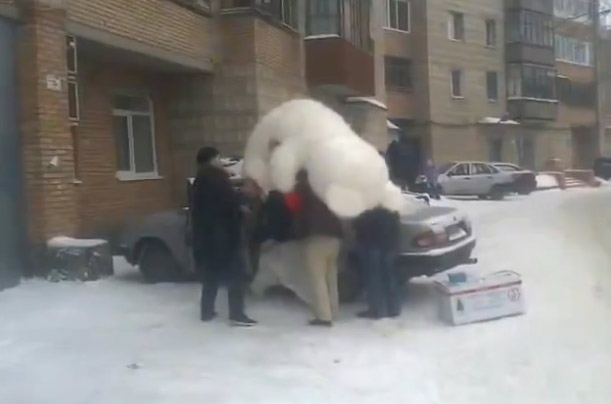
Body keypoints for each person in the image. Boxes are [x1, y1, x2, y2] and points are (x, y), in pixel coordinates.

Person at [191, 146, 256, 326]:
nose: (221, 161)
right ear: (212, 159)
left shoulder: (200, 180)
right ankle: (236, 315)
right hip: (224, 236)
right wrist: (243, 202)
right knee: (237, 275)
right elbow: (229, 206)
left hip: (207, 237)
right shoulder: (217, 178)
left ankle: (207, 311)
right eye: (218, 158)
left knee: (211, 274)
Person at [294, 170, 343, 327]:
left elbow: (298, 215)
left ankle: (324, 316)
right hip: (335, 238)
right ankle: (334, 311)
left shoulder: (304, 193)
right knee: (331, 277)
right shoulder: (328, 190)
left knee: (318, 279)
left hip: (317, 239)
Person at [352, 207, 402, 319]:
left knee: (373, 279)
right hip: (389, 246)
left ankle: (376, 310)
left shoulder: (367, 210)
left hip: (371, 245)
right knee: (389, 278)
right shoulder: (391, 209)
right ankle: (393, 308)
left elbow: (357, 225)